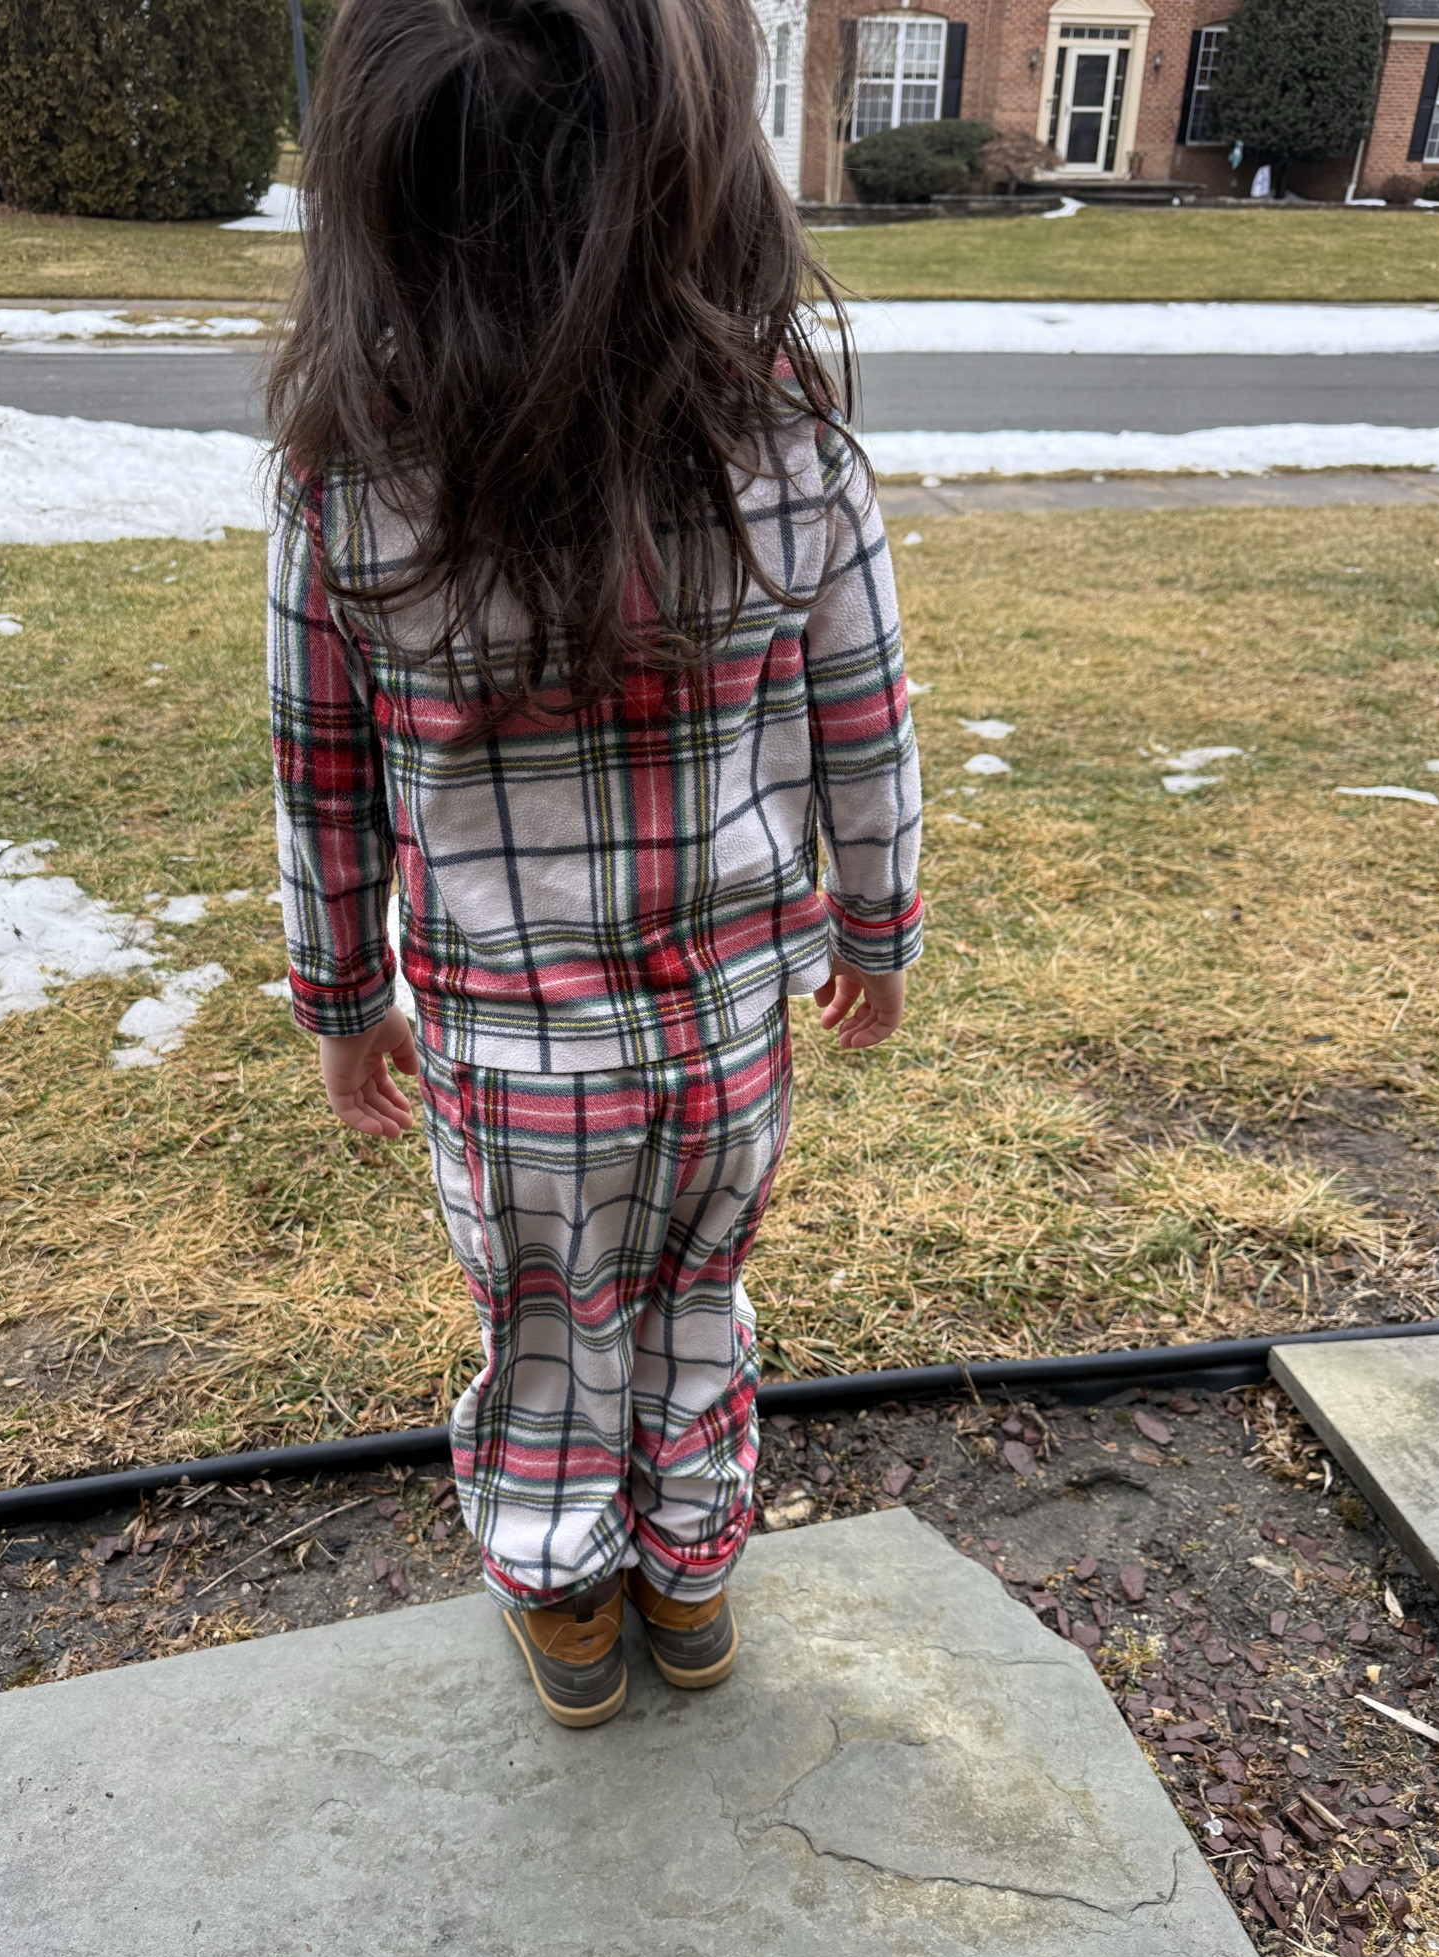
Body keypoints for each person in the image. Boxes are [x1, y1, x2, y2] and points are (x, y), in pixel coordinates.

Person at [266, 0, 922, 1728]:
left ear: (382, 208)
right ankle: (692, 1576)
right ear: (714, 184)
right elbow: (864, 720)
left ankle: (567, 1603)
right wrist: (881, 925)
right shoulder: (792, 448)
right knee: (698, 1287)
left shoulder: (349, 486)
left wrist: (343, 1001)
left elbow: (322, 778)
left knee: (551, 1318)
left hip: (509, 1057)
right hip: (729, 1039)